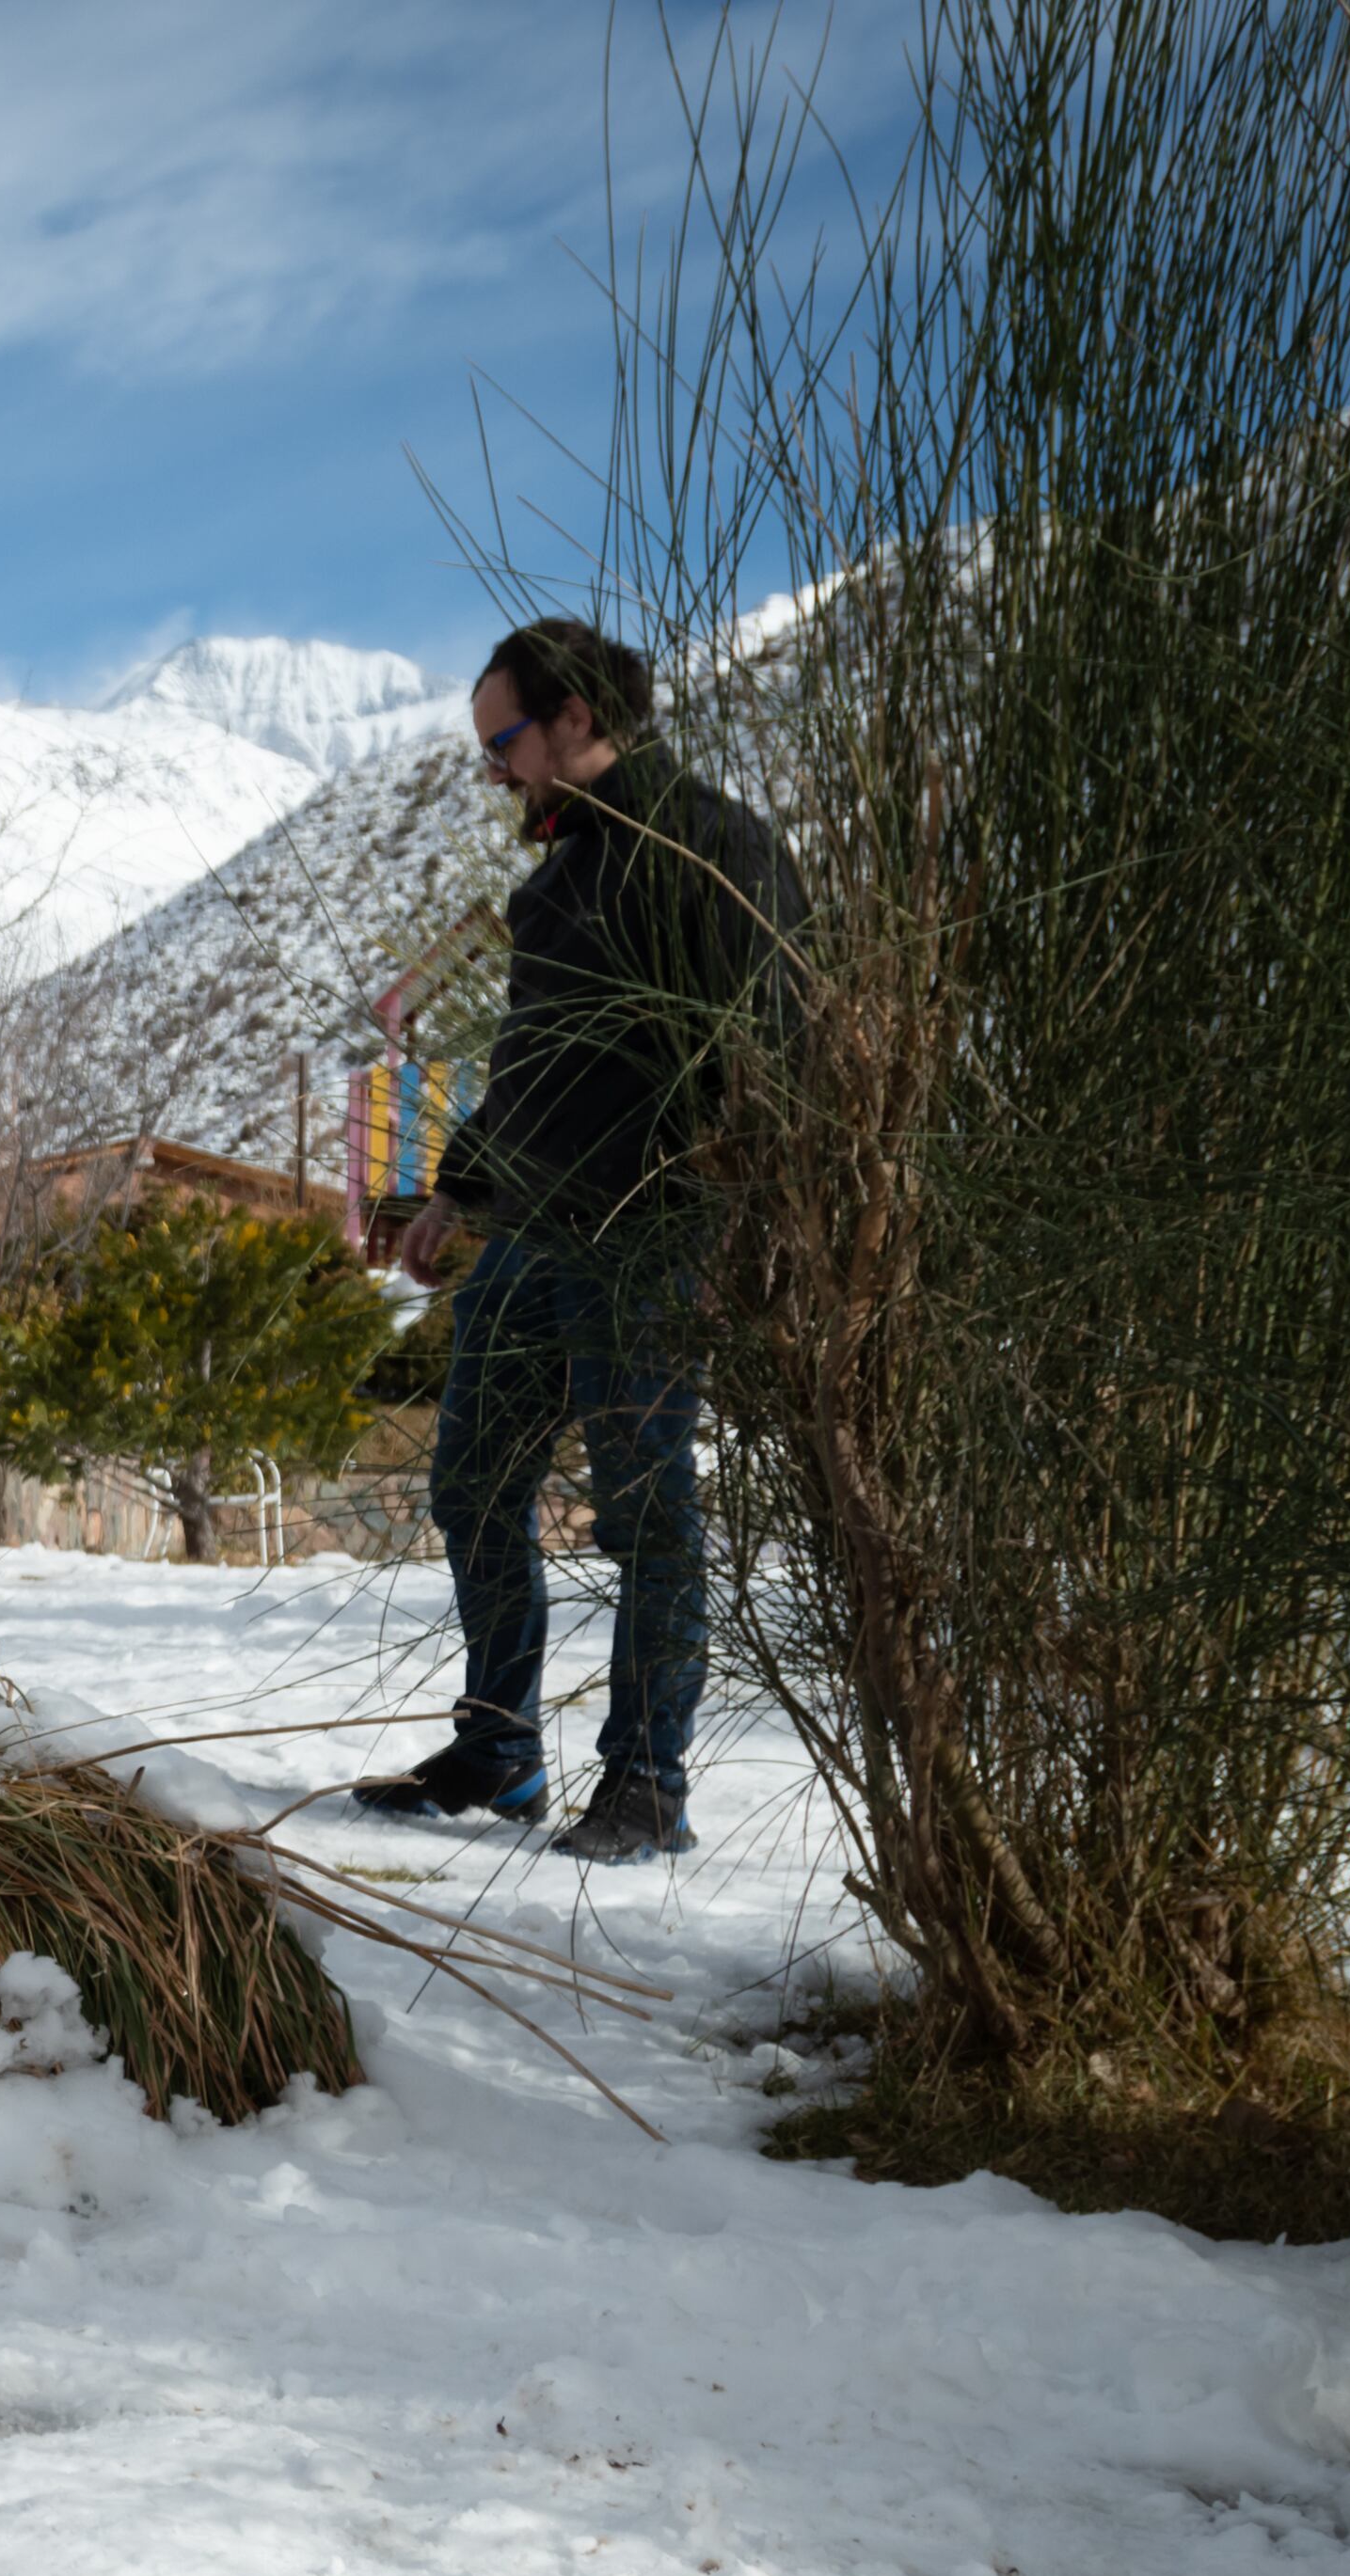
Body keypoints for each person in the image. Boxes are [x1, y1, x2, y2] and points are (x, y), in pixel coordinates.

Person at [356, 616, 802, 1865]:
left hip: (652, 1238)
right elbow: (533, 1064)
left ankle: (646, 1787)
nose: (495, 768)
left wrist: (729, 1218)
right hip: (531, 1237)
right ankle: (499, 1752)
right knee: (471, 1484)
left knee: (645, 1517)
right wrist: (459, 1190)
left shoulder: (715, 850)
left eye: (504, 740)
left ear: (580, 719)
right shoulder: (556, 878)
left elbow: (773, 1049)